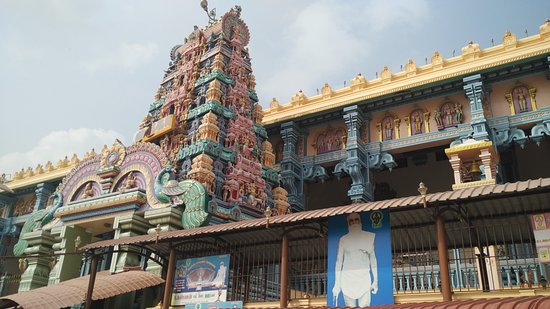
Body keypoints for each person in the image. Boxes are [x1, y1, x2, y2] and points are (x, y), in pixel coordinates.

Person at [332, 212, 378, 307]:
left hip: (364, 279)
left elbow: (373, 260)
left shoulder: (368, 237)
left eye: (356, 219)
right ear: (348, 223)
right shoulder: (343, 240)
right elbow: (339, 262)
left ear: (360, 221)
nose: (354, 222)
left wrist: (376, 281)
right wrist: (337, 284)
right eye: (351, 221)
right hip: (347, 281)